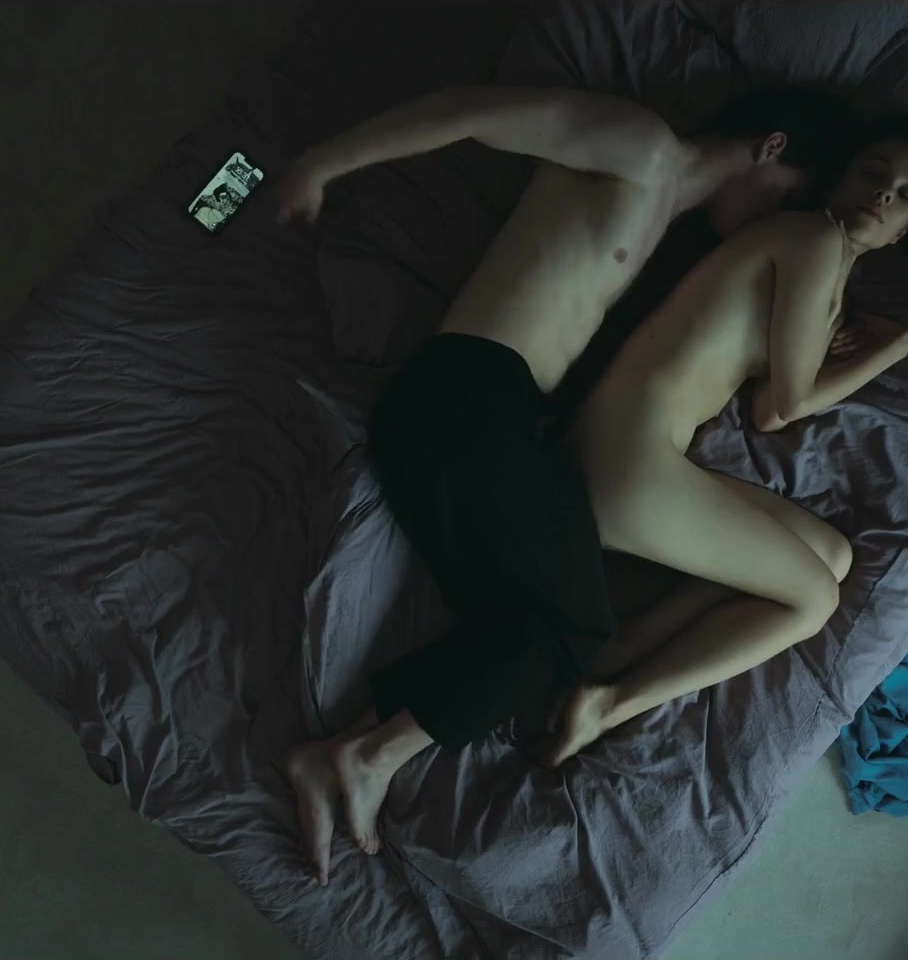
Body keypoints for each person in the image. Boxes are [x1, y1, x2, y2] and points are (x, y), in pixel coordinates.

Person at [270, 83, 859, 885]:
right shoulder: (644, 147)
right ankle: (369, 756)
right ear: (771, 147)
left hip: (504, 420)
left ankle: (342, 754)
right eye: (786, 197)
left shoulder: (670, 227)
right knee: (573, 626)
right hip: (463, 396)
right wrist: (322, 163)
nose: (773, 219)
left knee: (539, 626)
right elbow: (473, 112)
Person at [538, 115, 908, 767]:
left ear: (905, 230)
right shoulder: (812, 236)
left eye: (905, 194)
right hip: (624, 459)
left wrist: (847, 339)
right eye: (872, 173)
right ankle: (611, 702)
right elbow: (789, 403)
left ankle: (616, 651)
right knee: (814, 599)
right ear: (837, 179)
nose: (883, 193)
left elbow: (765, 414)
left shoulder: (830, 282)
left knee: (832, 555)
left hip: (638, 457)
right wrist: (890, 350)